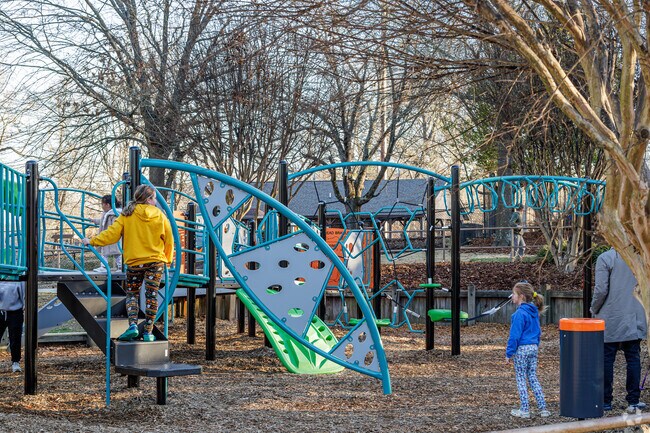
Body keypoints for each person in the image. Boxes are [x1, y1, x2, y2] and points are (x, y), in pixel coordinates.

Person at [82, 185, 173, 342]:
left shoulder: (127, 214)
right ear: (149, 199)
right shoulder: (160, 215)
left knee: (132, 294)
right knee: (152, 296)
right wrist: (168, 260)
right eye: (154, 198)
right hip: (155, 261)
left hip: (134, 262)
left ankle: (133, 326)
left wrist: (91, 241)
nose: (156, 201)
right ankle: (148, 333)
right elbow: (169, 239)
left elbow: (111, 234)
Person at [590, 248, 647, 413]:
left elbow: (601, 290)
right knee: (633, 359)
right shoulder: (639, 258)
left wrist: (594, 309)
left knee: (607, 360)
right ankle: (633, 400)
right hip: (635, 316)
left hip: (611, 317)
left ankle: (606, 400)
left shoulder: (605, 258)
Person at [506, 281, 550, 418]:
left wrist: (509, 352)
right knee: (532, 376)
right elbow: (538, 332)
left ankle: (524, 409)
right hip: (533, 348)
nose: (512, 296)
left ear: (522, 296)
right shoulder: (533, 312)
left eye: (514, 294)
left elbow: (515, 336)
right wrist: (535, 344)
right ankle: (543, 408)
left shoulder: (519, 314)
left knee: (520, 378)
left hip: (522, 349)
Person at [91, 195, 122, 273]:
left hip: (110, 236)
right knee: (107, 252)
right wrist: (94, 220)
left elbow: (115, 225)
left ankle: (116, 267)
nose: (101, 206)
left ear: (107, 205)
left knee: (116, 253)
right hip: (107, 236)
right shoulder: (106, 213)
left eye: (102, 204)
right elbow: (102, 221)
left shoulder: (114, 214)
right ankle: (106, 266)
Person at [0, 280, 24, 373]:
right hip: (1, 311)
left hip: (15, 312)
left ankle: (15, 362)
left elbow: (24, 294)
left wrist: (25, 306)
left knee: (15, 338)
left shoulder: (18, 279)